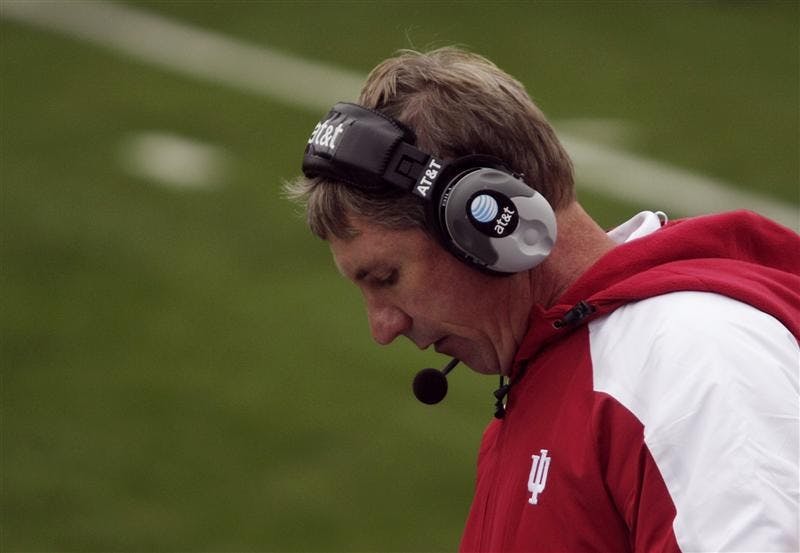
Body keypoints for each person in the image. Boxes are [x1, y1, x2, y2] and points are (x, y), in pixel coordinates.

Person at [285, 47, 800, 552]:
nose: (383, 327)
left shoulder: (693, 362)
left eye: (387, 277)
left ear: (486, 220)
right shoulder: (557, 371)